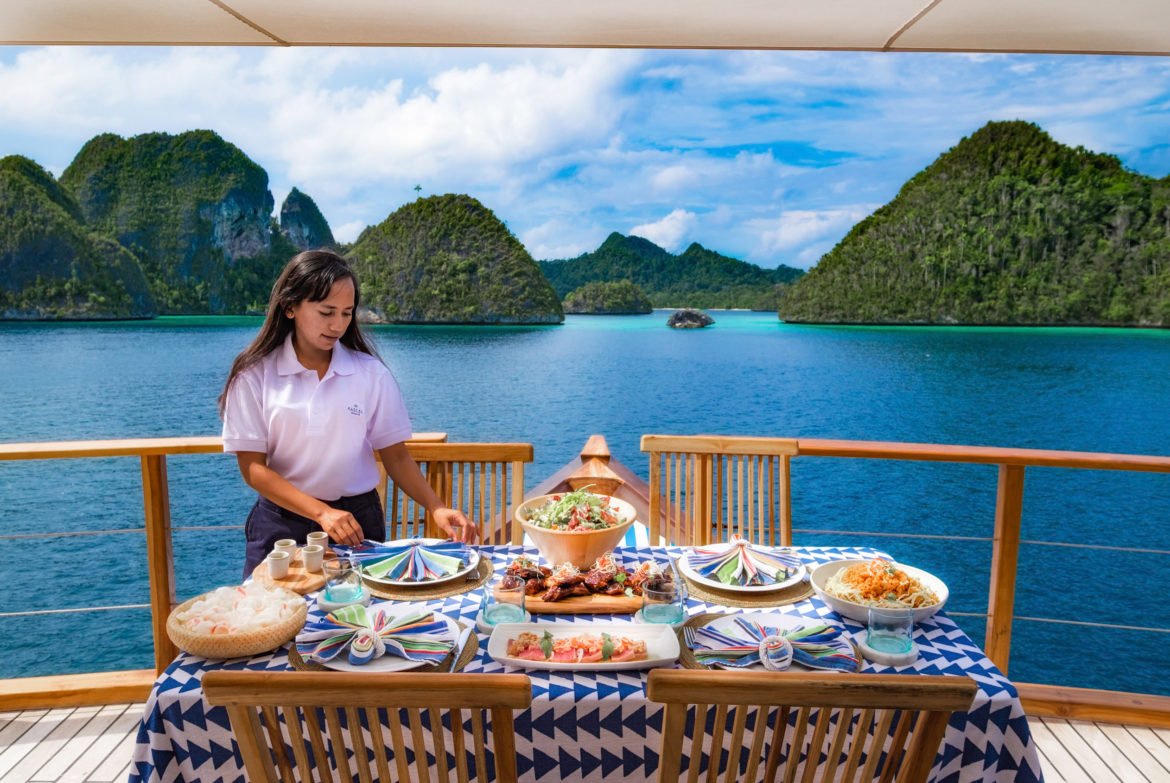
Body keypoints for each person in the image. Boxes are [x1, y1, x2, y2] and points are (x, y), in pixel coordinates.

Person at [219, 249, 478, 576]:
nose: (338, 324)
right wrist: (322, 513)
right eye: (326, 312)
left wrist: (436, 507)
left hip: (357, 521)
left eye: (346, 313)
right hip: (281, 526)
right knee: (270, 622)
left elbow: (395, 456)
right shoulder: (254, 375)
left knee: (364, 622)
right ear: (290, 307)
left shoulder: (370, 374)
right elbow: (253, 469)